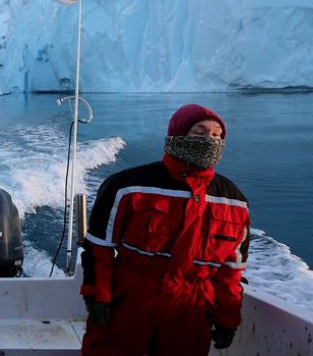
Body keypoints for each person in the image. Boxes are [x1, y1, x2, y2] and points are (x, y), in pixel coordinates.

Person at [79, 104, 251, 356]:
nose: (208, 141)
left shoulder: (234, 202)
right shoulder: (128, 187)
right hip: (129, 302)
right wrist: (98, 296)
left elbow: (231, 270)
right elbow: (99, 248)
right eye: (199, 133)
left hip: (190, 312)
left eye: (216, 135)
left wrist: (228, 318)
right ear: (177, 135)